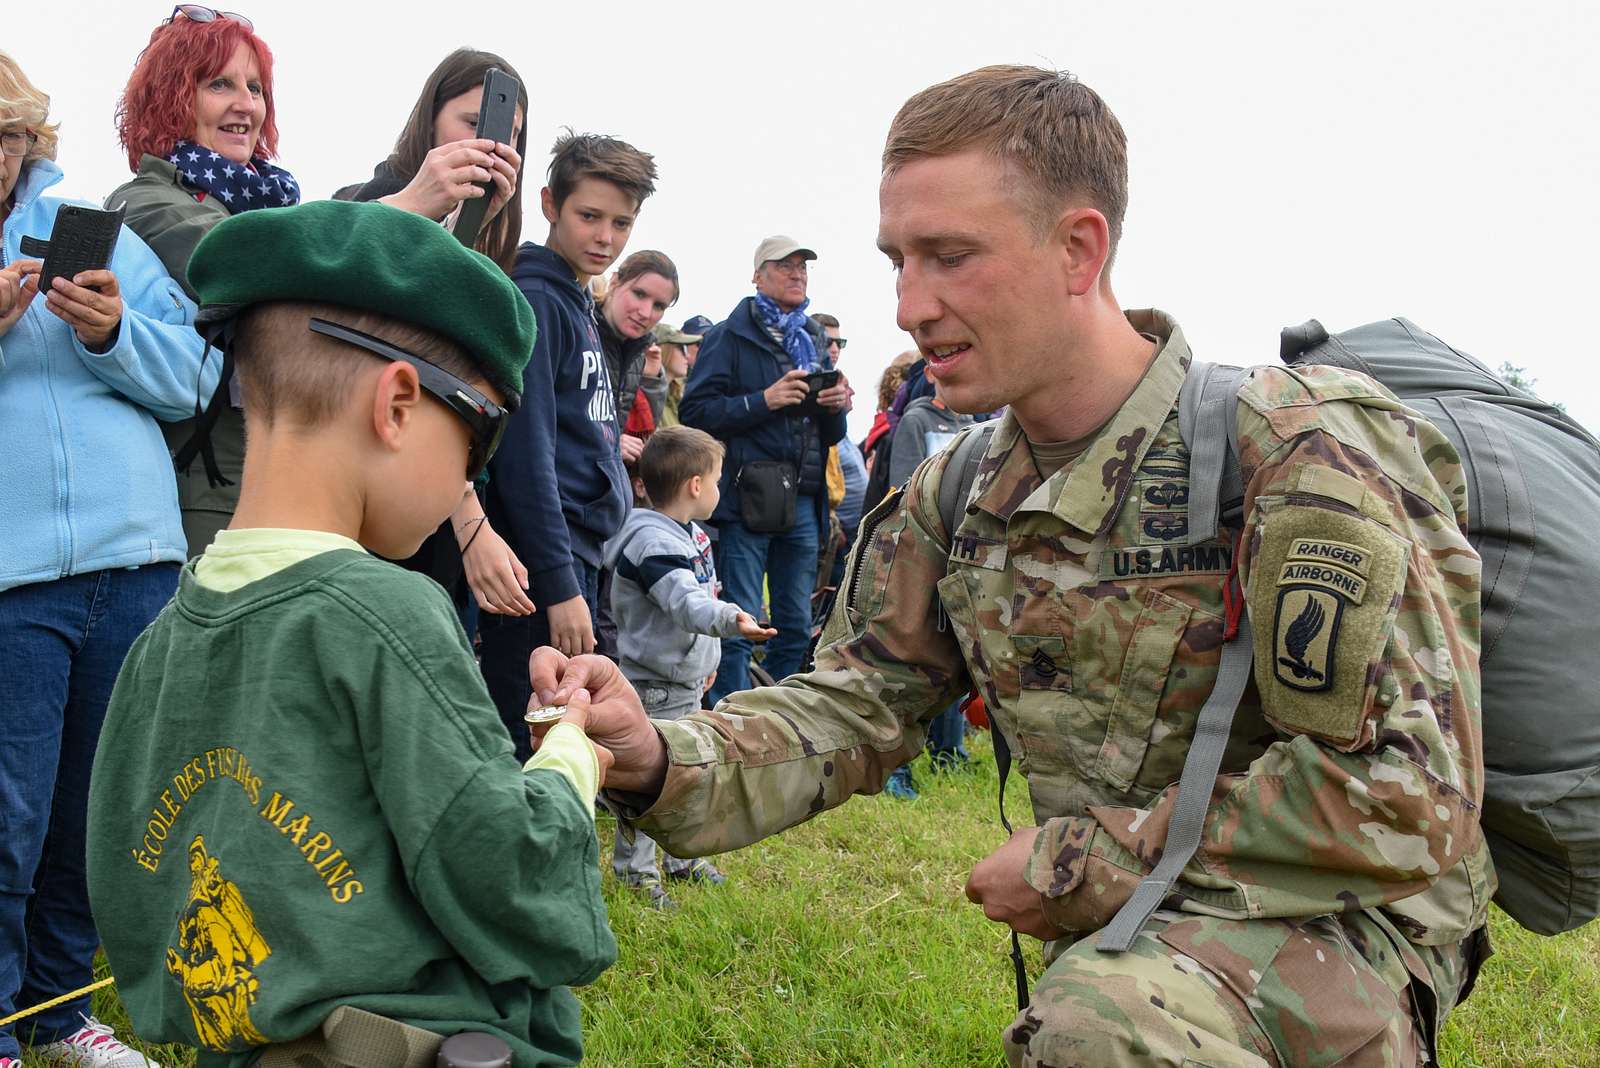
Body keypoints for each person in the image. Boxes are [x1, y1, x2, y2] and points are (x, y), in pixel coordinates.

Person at [534, 66, 1489, 1068]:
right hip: (1136, 943)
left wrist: (1081, 859)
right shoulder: (959, 495)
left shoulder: (1289, 448)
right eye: (898, 260)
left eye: (950, 257)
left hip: (1337, 924)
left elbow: (1398, 792)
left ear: (1078, 248)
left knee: (1096, 1033)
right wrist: (654, 752)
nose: (909, 303)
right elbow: (857, 705)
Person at [85, 200, 617, 1068]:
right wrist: (570, 758)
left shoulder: (161, 636)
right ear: (399, 403)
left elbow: (125, 877)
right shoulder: (390, 613)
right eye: (477, 443)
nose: (467, 481)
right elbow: (506, 873)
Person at [1, 50, 213, 1068]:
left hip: (135, 560)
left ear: (27, 141)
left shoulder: (104, 233)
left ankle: (60, 1013)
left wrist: (114, 331)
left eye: (2, 138)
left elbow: (197, 379)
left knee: (95, 805)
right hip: (10, 575)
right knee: (7, 809)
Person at [479, 131, 657, 760]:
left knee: (570, 719)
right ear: (550, 203)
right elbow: (527, 458)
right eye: (589, 216)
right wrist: (559, 584)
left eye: (621, 223)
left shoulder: (579, 300)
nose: (605, 238)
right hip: (542, 563)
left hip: (584, 552)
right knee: (535, 725)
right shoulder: (537, 298)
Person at [338, 48, 529, 625]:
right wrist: (470, 520)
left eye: (512, 136)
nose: (494, 145)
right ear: (429, 119)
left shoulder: (491, 243)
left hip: (440, 511)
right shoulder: (368, 204)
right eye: (473, 124)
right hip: (373, 506)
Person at [107, 6, 301, 557]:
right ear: (173, 98)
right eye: (220, 84)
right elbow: (249, 264)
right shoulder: (142, 201)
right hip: (209, 493)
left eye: (256, 87)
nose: (247, 104)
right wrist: (401, 205)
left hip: (288, 480)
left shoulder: (275, 206)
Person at [601, 427, 774, 907]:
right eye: (718, 480)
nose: (722, 490)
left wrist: (706, 662)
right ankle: (636, 876)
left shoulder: (691, 535)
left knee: (689, 773)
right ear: (695, 486)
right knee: (649, 781)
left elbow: (698, 602)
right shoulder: (652, 543)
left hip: (683, 680)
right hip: (654, 687)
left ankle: (681, 859)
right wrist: (733, 622)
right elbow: (686, 605)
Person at [680, 236, 850, 701]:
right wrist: (764, 400)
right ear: (757, 275)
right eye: (785, 265)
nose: (798, 273)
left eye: (803, 267)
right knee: (738, 621)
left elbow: (829, 435)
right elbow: (695, 412)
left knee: (796, 625)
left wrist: (836, 407)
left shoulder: (813, 336)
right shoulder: (728, 335)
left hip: (803, 499)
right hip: (747, 498)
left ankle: (774, 717)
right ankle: (731, 724)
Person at [881, 375, 978, 798]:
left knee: (960, 652)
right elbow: (904, 489)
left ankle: (948, 750)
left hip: (968, 550)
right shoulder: (917, 421)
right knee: (912, 657)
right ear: (932, 374)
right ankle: (893, 765)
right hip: (923, 550)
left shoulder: (979, 425)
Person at [598, 250, 677, 466]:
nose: (645, 312)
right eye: (639, 294)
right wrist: (609, 442)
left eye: (659, 306)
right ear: (614, 282)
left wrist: (651, 380)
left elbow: (642, 430)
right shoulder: (580, 331)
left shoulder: (640, 349)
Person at [655, 322, 702, 427]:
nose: (687, 356)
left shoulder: (675, 397)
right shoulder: (645, 397)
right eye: (682, 348)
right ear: (664, 349)